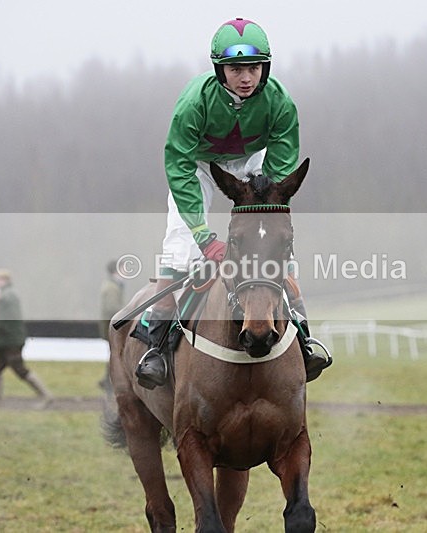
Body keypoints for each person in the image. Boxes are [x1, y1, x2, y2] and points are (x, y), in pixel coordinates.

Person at [135, 18, 331, 389]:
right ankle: (156, 344)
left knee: (272, 243)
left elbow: (283, 159)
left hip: (254, 166)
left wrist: (265, 197)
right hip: (198, 167)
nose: (246, 77)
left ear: (265, 68)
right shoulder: (194, 104)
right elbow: (178, 167)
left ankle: (304, 338)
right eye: (236, 69)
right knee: (180, 247)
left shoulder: (280, 102)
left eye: (254, 68)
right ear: (219, 70)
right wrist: (205, 237)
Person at [0, 269, 53, 409]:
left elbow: (8, 316)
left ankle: (46, 396)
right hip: (4, 341)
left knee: (19, 369)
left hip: (11, 340)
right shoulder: (5, 294)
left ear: (4, 280)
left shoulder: (9, 295)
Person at [98, 259, 124, 391]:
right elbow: (112, 308)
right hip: (112, 327)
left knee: (114, 353)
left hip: (110, 326)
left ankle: (107, 379)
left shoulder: (112, 285)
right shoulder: (112, 287)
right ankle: (108, 380)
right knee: (115, 353)